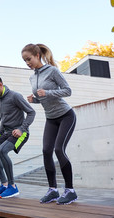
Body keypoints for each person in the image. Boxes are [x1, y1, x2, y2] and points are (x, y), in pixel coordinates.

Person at [21, 43, 77, 205]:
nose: (27, 63)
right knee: (46, 151)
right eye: (24, 61)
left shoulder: (52, 70)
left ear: (37, 55)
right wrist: (35, 100)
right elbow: (44, 99)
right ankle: (53, 190)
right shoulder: (32, 77)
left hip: (66, 115)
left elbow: (67, 91)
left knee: (59, 149)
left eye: (29, 59)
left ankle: (70, 190)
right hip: (50, 118)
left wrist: (47, 92)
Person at [0, 75, 36, 199]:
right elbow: (3, 121)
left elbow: (31, 112)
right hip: (6, 133)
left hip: (21, 132)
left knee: (2, 151)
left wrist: (21, 129)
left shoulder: (15, 96)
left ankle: (13, 187)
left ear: (0, 85)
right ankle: (4, 185)